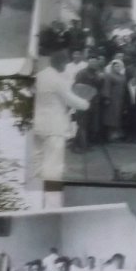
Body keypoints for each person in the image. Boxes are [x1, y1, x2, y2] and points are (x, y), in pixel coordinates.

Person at [32, 50, 90, 181]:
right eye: (65, 63)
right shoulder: (57, 80)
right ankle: (50, 187)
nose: (66, 66)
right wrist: (86, 103)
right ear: (61, 63)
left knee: (37, 158)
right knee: (53, 162)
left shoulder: (39, 75)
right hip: (54, 125)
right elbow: (71, 100)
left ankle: (34, 185)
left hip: (37, 123)